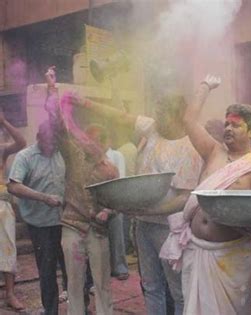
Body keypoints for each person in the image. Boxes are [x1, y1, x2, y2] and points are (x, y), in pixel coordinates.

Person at [70, 91, 203, 315]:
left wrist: (149, 210)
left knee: (177, 289)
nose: (157, 117)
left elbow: (184, 198)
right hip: (143, 225)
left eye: (163, 113)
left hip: (170, 229)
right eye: (156, 111)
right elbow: (120, 117)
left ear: (178, 114)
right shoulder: (151, 127)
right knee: (151, 286)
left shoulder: (190, 147)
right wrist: (85, 102)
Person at [160, 75, 251, 315]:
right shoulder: (214, 151)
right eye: (227, 124)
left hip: (231, 258)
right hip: (197, 250)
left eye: (236, 125)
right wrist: (204, 87)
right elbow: (189, 120)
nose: (228, 128)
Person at [44, 67, 118, 315]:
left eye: (97, 140)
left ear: (105, 144)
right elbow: (57, 123)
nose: (89, 143)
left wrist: (108, 210)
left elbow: (118, 201)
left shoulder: (111, 169)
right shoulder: (74, 154)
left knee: (103, 284)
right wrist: (53, 89)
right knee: (74, 285)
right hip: (73, 227)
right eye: (88, 138)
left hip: (98, 231)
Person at [7, 122, 65, 315]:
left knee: (73, 268)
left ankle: (78, 306)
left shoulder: (62, 153)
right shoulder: (25, 157)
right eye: (49, 142)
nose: (53, 146)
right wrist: (44, 198)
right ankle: (51, 310)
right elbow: (13, 186)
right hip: (40, 224)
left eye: (56, 142)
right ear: (39, 138)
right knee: (47, 270)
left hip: (66, 222)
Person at [0, 111, 26, 311]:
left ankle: (10, 294)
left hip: (2, 204)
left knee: (8, 248)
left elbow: (21, 142)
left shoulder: (1, 149)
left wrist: (4, 120)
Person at [105, 145, 129, 280]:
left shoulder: (116, 155)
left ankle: (120, 267)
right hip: (99, 202)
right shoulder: (90, 157)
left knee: (117, 235)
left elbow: (120, 178)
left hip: (114, 200)